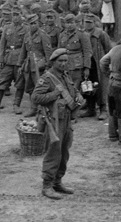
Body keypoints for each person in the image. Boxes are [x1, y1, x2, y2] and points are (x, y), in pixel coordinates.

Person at [31, 49, 83, 200]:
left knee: (64, 152)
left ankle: (57, 181)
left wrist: (78, 95)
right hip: (53, 120)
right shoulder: (47, 78)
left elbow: (72, 90)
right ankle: (47, 185)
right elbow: (36, 97)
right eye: (60, 61)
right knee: (53, 152)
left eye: (66, 61)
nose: (63, 63)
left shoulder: (65, 76)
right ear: (53, 62)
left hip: (66, 119)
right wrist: (54, 94)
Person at [0, 6, 27, 114]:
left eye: (17, 15)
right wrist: (0, 59)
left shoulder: (26, 28)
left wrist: (23, 62)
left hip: (19, 59)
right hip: (8, 59)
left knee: (20, 83)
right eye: (14, 15)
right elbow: (2, 44)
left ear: (22, 15)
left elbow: (26, 47)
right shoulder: (7, 27)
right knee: (1, 81)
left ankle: (16, 105)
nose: (15, 17)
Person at [17, 13, 53, 117]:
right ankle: (33, 108)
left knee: (41, 88)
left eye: (34, 23)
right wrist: (20, 64)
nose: (33, 25)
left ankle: (43, 109)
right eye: (30, 23)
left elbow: (48, 52)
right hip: (29, 65)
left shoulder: (43, 35)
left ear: (38, 23)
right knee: (30, 87)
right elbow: (23, 51)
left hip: (39, 65)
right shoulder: (27, 35)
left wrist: (48, 66)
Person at [81, 16, 111, 120]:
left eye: (90, 22)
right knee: (87, 86)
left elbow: (108, 49)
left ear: (94, 23)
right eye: (86, 22)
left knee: (101, 87)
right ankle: (90, 108)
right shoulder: (82, 34)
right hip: (87, 64)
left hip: (99, 64)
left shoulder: (101, 34)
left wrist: (108, 64)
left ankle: (103, 109)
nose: (87, 24)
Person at [58, 13, 92, 90]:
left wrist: (87, 68)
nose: (69, 25)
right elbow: (59, 51)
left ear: (76, 23)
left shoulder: (81, 35)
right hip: (64, 65)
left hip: (77, 66)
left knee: (76, 88)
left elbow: (87, 52)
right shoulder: (62, 35)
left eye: (71, 23)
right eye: (67, 23)